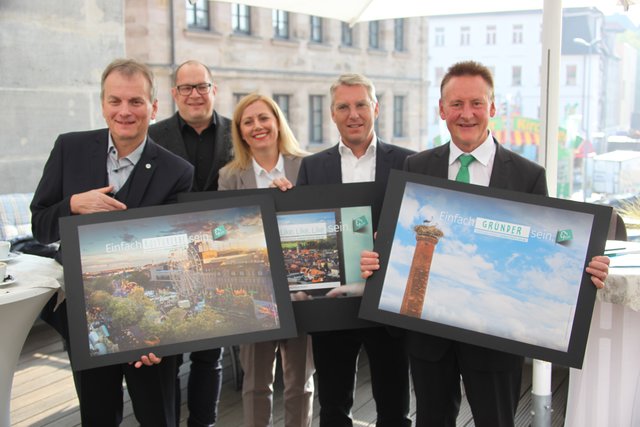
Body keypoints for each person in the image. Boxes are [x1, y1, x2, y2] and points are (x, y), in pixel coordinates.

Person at [359, 60, 611, 427]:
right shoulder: (415, 169)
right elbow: (394, 241)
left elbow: (550, 249)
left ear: (493, 108)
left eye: (476, 103)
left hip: (496, 337)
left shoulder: (527, 176)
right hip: (429, 338)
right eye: (456, 104)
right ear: (441, 110)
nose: (467, 114)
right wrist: (376, 260)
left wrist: (584, 264)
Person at [30, 58, 194, 426]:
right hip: (82, 315)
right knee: (97, 414)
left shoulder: (178, 172)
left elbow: (175, 252)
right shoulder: (68, 149)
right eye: (115, 101)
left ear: (153, 107)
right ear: (102, 104)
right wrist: (72, 205)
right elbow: (40, 226)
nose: (125, 111)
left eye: (136, 101)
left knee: (158, 416)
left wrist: (163, 333)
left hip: (152, 321)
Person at [296, 74, 414, 427]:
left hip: (386, 302)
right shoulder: (312, 167)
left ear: (375, 108)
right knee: (333, 409)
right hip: (333, 305)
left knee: (395, 410)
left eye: (361, 104)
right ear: (332, 114)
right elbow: (303, 228)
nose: (354, 114)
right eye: (343, 107)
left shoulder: (407, 162)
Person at [218, 93, 315, 427]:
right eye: (248, 122)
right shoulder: (230, 177)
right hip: (255, 291)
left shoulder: (306, 167)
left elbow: (320, 224)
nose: (257, 126)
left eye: (263, 118)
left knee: (299, 383)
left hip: (300, 289)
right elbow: (225, 234)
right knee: (256, 383)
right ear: (241, 133)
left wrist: (294, 202)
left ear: (277, 123)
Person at [149, 59, 232, 427]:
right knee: (169, 354)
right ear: (174, 94)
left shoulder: (237, 131)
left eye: (202, 86)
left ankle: (204, 423)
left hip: (217, 253)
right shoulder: (153, 135)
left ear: (213, 90)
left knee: (208, 355)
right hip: (168, 253)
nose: (195, 94)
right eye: (187, 88)